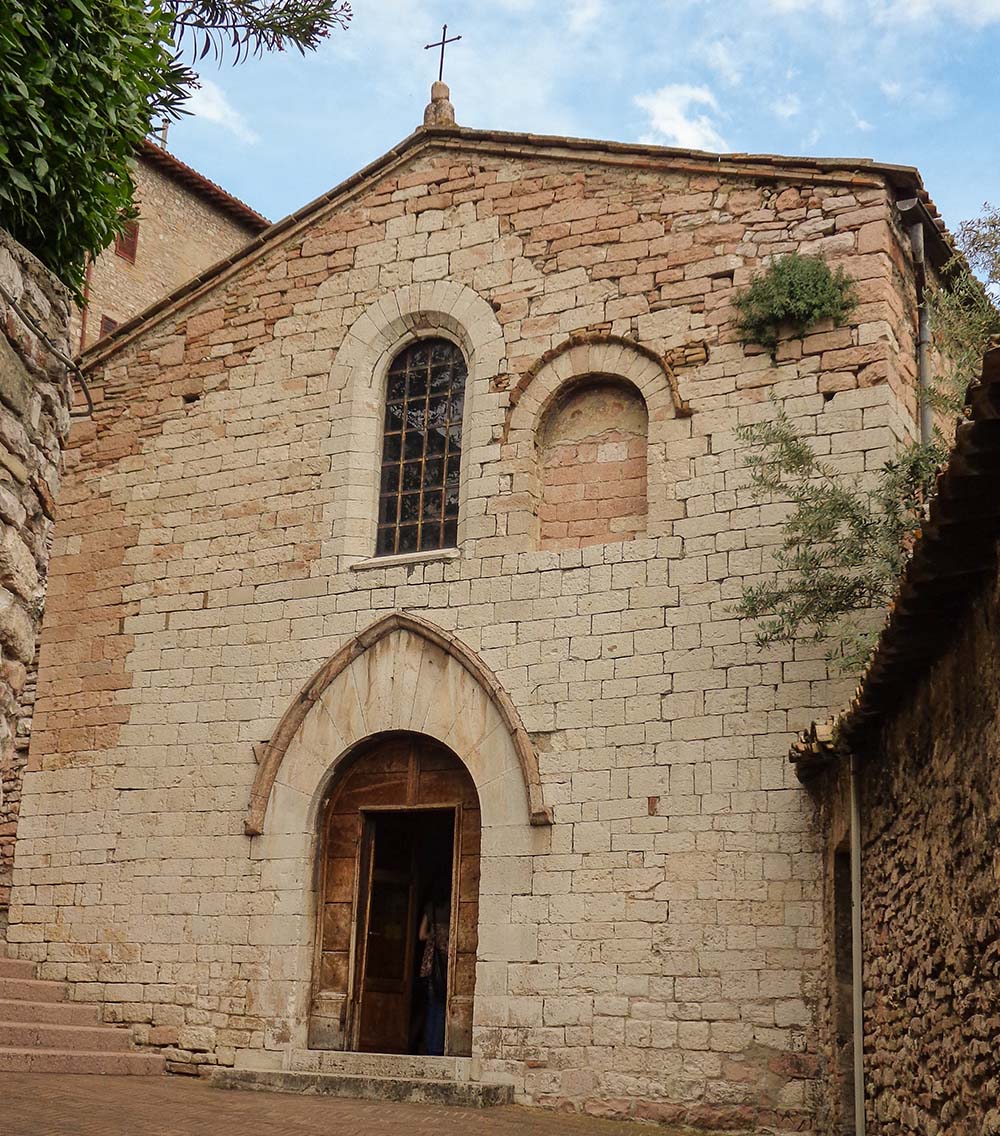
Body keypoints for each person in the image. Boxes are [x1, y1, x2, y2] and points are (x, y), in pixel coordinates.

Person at [417, 878, 450, 1055]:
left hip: (432, 962)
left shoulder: (430, 909)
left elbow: (422, 935)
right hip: (447, 962)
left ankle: (430, 1046)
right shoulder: (452, 907)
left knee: (431, 1005)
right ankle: (439, 1046)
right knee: (444, 1005)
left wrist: (434, 935)